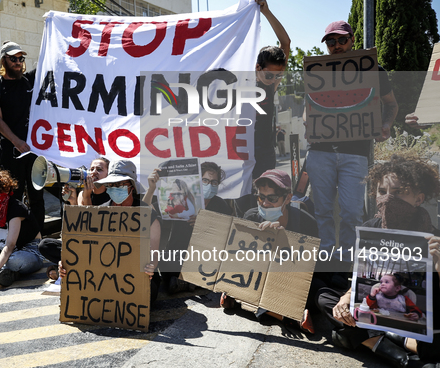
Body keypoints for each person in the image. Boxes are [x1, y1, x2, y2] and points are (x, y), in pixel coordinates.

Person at [318, 154, 440, 367]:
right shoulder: (371, 229)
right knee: (326, 299)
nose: (387, 198)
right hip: (375, 313)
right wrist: (346, 299)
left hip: (418, 320)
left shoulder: (433, 238)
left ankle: (378, 340)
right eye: (382, 192)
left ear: (418, 199)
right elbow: (358, 280)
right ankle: (396, 349)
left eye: (398, 193)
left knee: (434, 342)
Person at [306, 20, 399, 260]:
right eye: (331, 41)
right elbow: (312, 108)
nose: (336, 45)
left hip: (355, 154)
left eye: (341, 40)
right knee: (322, 210)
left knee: (351, 212)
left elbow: (391, 104)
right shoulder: (317, 72)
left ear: (352, 40)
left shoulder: (374, 71)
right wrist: (309, 122)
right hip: (320, 151)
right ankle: (326, 255)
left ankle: (347, 258)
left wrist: (386, 125)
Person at [221, 169, 318, 333]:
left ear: (288, 198)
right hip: (263, 277)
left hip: (292, 278)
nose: (265, 203)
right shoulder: (251, 218)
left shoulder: (305, 222)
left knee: (315, 292)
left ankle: (248, 304)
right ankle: (288, 316)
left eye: (272, 198)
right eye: (261, 197)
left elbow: (311, 266)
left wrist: (283, 241)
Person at [57, 160, 162, 302]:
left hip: (135, 276)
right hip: (104, 276)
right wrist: (67, 264)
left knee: (149, 293)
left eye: (119, 184)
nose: (114, 187)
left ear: (131, 187)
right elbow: (84, 247)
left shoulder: (147, 214)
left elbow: (154, 252)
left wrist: (151, 267)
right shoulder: (100, 212)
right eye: (111, 185)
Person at [143, 162, 232, 294]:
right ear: (197, 181)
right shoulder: (180, 199)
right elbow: (146, 212)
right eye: (205, 180)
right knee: (167, 262)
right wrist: (151, 189)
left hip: (205, 256)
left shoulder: (220, 204)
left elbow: (229, 234)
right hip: (178, 256)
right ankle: (193, 282)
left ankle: (188, 282)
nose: (209, 185)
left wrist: (208, 224)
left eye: (214, 182)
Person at [0, 41, 44, 227]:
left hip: (34, 150)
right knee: (13, 196)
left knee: (37, 194)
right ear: (4, 61)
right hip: (12, 152)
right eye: (13, 59)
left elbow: (49, 62)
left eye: (20, 58)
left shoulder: (29, 80)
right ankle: (14, 237)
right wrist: (16, 141)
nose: (18, 62)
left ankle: (38, 237)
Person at [0, 170, 44, 290]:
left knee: (14, 260)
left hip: (28, 252)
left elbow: (10, 245)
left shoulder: (16, 207)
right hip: (3, 253)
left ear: (7, 191)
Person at [251, 0, 290, 179]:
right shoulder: (239, 83)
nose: (274, 80)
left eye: (278, 76)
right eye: (269, 75)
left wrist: (266, 11)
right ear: (257, 67)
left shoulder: (270, 86)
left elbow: (286, 44)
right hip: (240, 151)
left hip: (265, 152)